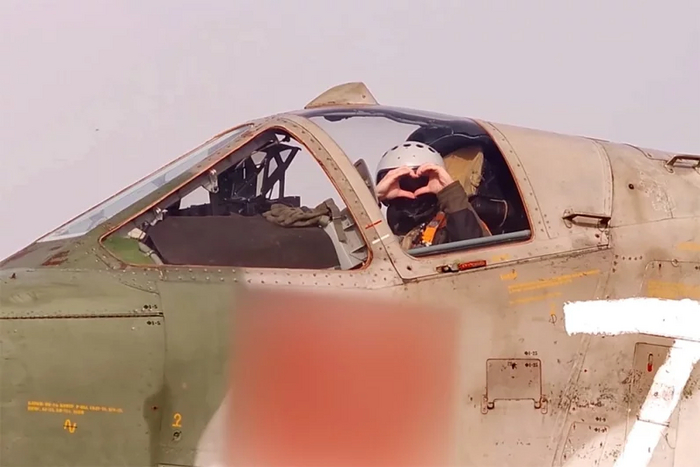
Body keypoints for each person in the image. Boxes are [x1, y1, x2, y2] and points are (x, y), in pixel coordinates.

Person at [374, 142, 490, 250]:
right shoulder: (379, 234)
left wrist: (449, 192)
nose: (413, 189)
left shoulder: (449, 227)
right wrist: (375, 197)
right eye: (402, 181)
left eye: (421, 180)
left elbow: (474, 251)